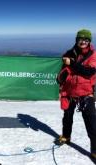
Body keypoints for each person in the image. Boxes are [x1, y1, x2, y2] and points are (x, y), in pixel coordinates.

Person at [55, 29, 96, 161]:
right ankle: (66, 136)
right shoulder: (68, 53)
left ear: (89, 41)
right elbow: (62, 71)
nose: (83, 42)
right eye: (80, 39)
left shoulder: (93, 55)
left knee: (91, 122)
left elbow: (88, 72)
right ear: (76, 40)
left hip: (85, 93)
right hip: (69, 91)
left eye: (86, 40)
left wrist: (72, 63)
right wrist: (61, 77)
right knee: (67, 117)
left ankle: (95, 150)